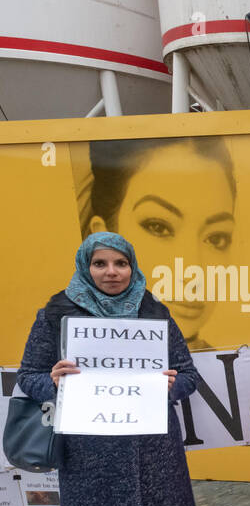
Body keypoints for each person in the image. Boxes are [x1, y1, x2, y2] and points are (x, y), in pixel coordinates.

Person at [17, 232, 212, 506]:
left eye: (120, 264)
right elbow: (27, 376)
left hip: (154, 450)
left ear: (132, 266)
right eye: (100, 264)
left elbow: (189, 376)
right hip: (90, 455)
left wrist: (172, 384)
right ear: (85, 266)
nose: (111, 272)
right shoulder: (56, 312)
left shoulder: (154, 311)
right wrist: (51, 380)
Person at [79, 137, 237, 350]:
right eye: (159, 227)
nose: (193, 273)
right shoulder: (65, 357)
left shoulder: (235, 374)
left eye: (216, 238)